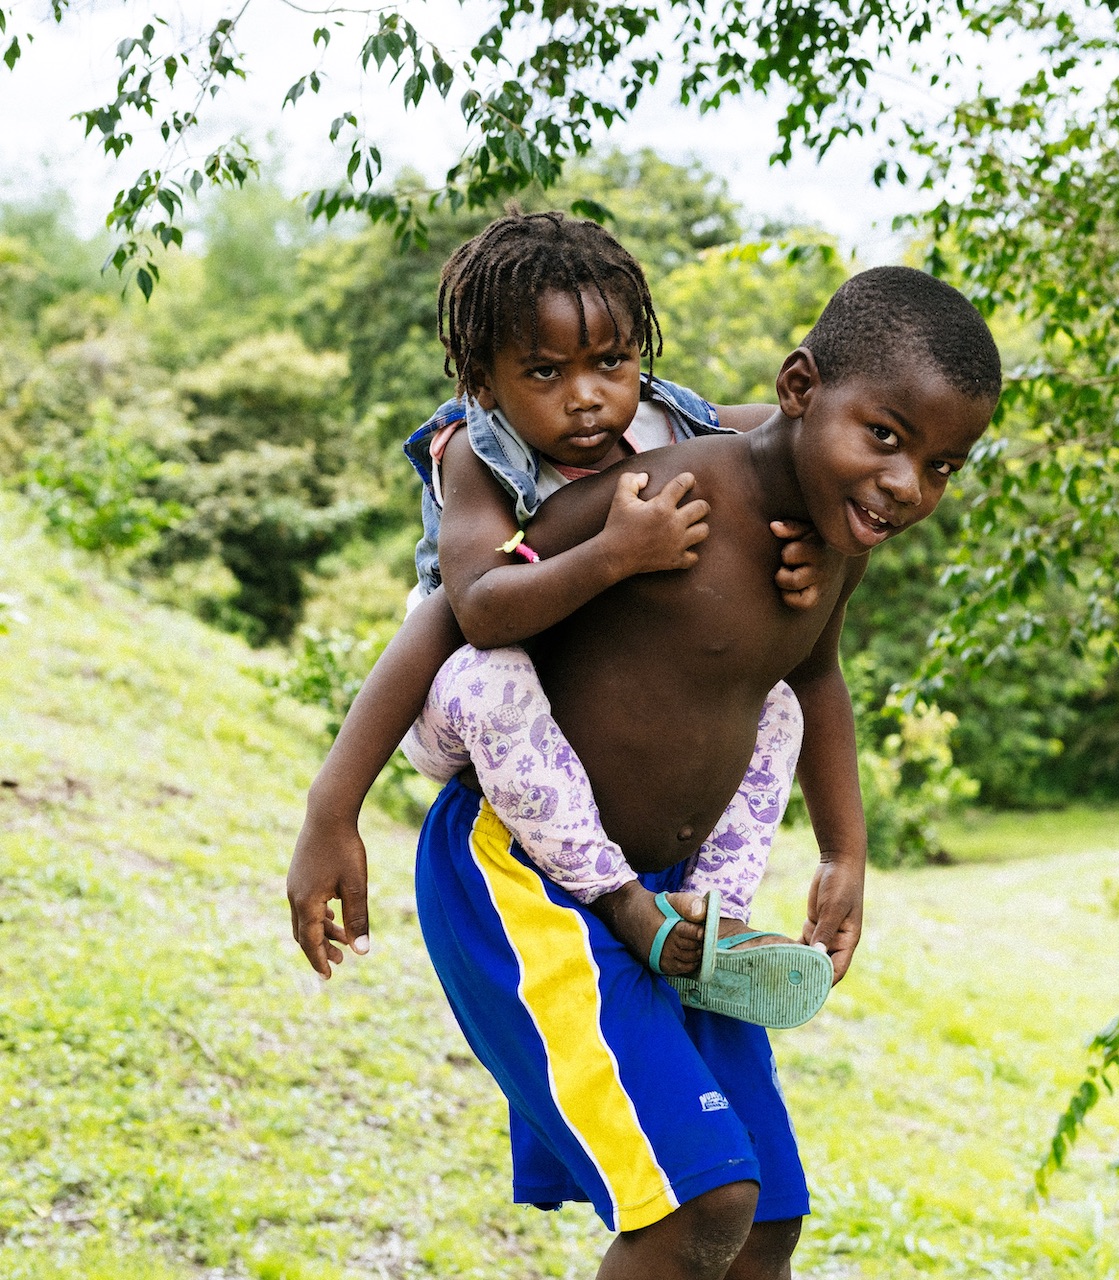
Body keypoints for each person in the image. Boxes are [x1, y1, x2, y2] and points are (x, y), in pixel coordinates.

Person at [413, 265, 998, 1279]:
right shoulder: (655, 492)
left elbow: (817, 675)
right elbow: (457, 614)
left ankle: (704, 908)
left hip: (673, 900)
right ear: (803, 386)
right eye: (888, 439)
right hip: (526, 874)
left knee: (765, 1211)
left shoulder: (830, 538)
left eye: (943, 463)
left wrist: (847, 850)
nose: (909, 485)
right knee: (697, 1202)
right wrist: (331, 813)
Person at [287, 211, 834, 992]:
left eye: (611, 362)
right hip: (462, 698)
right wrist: (615, 554)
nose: (587, 398)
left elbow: (788, 442)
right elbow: (475, 611)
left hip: (589, 692)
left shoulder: (665, 423)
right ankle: (620, 902)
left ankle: (717, 912)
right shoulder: (478, 453)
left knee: (777, 704)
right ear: (483, 382)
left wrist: (805, 534)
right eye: (545, 373)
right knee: (491, 674)